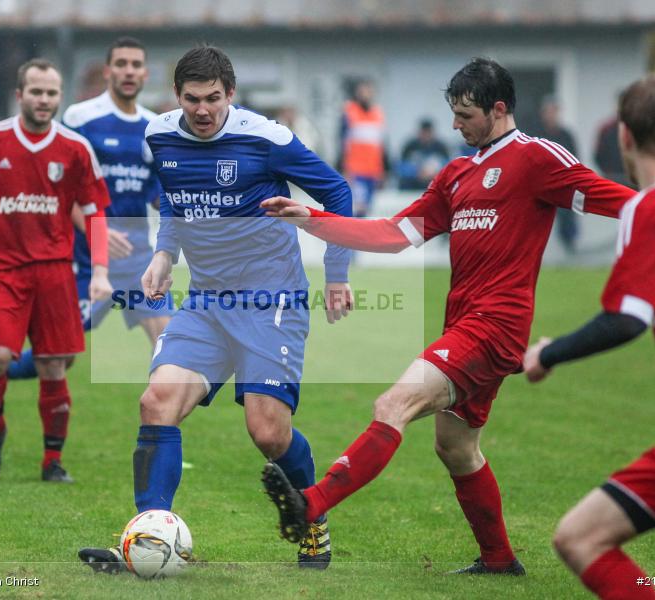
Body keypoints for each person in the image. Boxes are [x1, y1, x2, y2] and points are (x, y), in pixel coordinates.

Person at [259, 57, 635, 575]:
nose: (455, 125)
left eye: (465, 115)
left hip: (495, 327)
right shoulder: (457, 173)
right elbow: (395, 234)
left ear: (499, 109)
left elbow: (619, 201)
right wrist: (316, 220)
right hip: (463, 324)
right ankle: (500, 560)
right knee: (456, 447)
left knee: (394, 403)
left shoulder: (536, 158)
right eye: (453, 115)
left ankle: (312, 505)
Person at [78, 45, 354, 572]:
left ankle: (313, 519)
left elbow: (337, 192)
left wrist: (336, 275)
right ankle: (147, 539)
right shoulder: (160, 135)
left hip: (270, 300)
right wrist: (163, 254)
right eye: (190, 100)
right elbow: (179, 200)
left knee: (267, 432)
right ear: (175, 96)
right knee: (157, 401)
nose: (201, 111)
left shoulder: (265, 138)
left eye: (212, 99)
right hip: (205, 300)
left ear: (231, 94)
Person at [523, 73, 655, 600]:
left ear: (623, 137)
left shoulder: (650, 209)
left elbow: (628, 317)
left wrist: (547, 354)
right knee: (580, 537)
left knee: (582, 540)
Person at [0, 36, 173, 391]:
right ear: (108, 71)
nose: (129, 71)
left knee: (170, 347)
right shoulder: (81, 118)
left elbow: (157, 194)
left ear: (145, 73)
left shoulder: (155, 127)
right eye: (122, 64)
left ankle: (160, 432)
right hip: (86, 261)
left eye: (136, 65)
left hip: (139, 258)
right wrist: (97, 233)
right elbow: (59, 192)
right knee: (55, 356)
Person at [0, 58, 111, 483]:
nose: (44, 100)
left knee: (55, 366)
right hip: (2, 271)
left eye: (52, 93)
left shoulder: (75, 149)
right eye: (36, 92)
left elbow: (95, 213)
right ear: (20, 95)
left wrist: (99, 271)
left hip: (56, 272)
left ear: (60, 97)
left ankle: (51, 461)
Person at [531, 97, 581, 254]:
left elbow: (575, 160)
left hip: (563, 185)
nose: (551, 115)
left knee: (567, 218)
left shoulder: (566, 136)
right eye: (548, 112)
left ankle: (569, 249)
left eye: (554, 111)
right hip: (540, 186)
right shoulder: (535, 135)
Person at [340, 79, 387, 217]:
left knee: (367, 209)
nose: (365, 94)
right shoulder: (349, 112)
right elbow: (342, 142)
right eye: (362, 91)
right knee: (357, 210)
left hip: (373, 171)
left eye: (368, 91)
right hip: (356, 171)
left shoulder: (378, 113)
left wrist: (383, 170)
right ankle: (352, 238)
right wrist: (344, 169)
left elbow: (381, 145)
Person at [398, 118, 449, 190]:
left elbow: (448, 165)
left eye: (428, 132)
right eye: (424, 132)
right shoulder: (410, 146)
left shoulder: (441, 147)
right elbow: (401, 166)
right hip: (414, 181)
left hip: (435, 180)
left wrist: (434, 172)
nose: (426, 135)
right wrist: (416, 172)